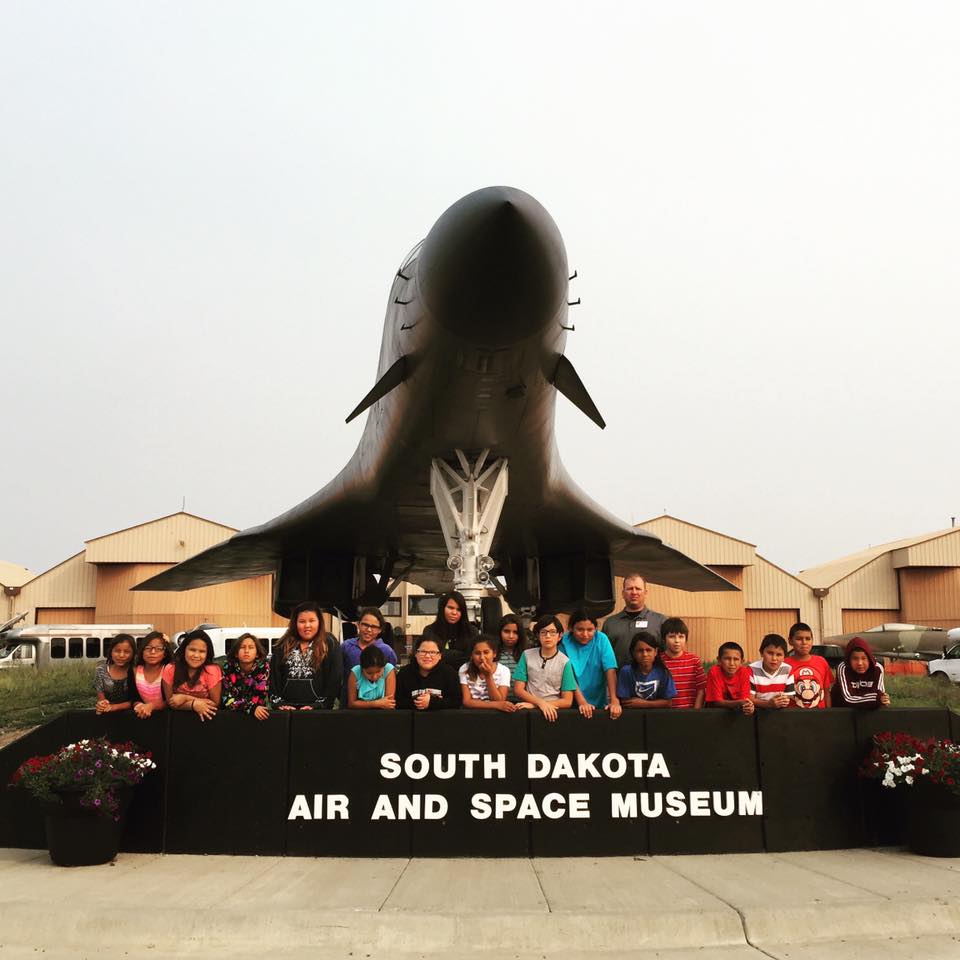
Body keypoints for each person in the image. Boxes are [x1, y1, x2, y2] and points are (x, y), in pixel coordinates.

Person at [270, 601, 343, 710]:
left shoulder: (329, 643)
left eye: (312, 621)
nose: (307, 625)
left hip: (318, 712)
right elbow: (274, 677)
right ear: (295, 623)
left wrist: (320, 704)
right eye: (302, 621)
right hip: (287, 711)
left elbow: (335, 678)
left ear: (319, 622)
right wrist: (278, 703)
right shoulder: (283, 644)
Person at [512, 615, 576, 721]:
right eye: (543, 632)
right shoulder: (526, 655)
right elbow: (518, 689)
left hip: (554, 712)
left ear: (560, 636)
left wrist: (537, 705)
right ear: (538, 635)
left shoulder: (565, 662)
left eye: (552, 632)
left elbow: (567, 701)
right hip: (527, 712)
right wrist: (539, 703)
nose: (548, 636)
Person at [559, 609, 621, 719]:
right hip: (571, 699)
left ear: (596, 629)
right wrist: (582, 702)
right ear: (570, 628)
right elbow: (568, 676)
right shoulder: (563, 642)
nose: (585, 634)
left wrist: (614, 700)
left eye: (590, 630)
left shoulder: (601, 639)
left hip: (599, 697)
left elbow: (610, 669)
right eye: (580, 629)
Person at [603, 574, 667, 667]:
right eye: (629, 589)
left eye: (638, 588)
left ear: (645, 593)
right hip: (619, 680)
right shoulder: (610, 623)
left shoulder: (660, 621)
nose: (634, 592)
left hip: (651, 680)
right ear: (623, 593)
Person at [162, 629, 222, 721]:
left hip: (205, 720)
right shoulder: (170, 669)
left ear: (207, 653)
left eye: (202, 651)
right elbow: (172, 702)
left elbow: (215, 703)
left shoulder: (212, 671)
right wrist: (193, 705)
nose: (196, 655)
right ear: (184, 649)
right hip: (177, 721)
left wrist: (186, 698)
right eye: (192, 650)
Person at [460, 634, 527, 712]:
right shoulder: (465, 668)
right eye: (477, 653)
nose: (482, 657)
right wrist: (496, 705)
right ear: (472, 655)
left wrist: (488, 676)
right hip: (471, 713)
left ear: (494, 654)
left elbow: (499, 699)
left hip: (495, 714)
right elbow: (467, 702)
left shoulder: (503, 670)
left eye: (486, 652)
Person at [395, 636, 462, 710]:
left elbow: (456, 702)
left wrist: (432, 702)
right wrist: (420, 702)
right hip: (411, 719)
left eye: (432, 652)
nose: (427, 656)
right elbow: (397, 702)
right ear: (416, 653)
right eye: (423, 651)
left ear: (440, 655)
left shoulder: (450, 673)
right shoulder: (404, 673)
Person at [616, 631, 676, 709]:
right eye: (640, 650)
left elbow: (668, 703)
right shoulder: (626, 671)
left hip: (657, 717)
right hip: (633, 717)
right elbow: (625, 702)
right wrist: (657, 703)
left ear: (655, 652)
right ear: (633, 653)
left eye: (648, 650)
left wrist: (644, 704)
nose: (645, 654)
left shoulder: (663, 672)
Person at [342, 607, 398, 690]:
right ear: (358, 624)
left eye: (374, 627)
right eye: (365, 625)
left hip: (377, 700)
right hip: (349, 700)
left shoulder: (387, 651)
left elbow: (391, 678)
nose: (368, 630)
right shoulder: (346, 646)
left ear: (380, 630)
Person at [421, 590, 478, 669]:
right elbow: (430, 656)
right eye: (450, 608)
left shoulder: (472, 631)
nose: (454, 612)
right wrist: (460, 655)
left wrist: (441, 654)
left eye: (459, 609)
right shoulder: (430, 630)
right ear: (442, 608)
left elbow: (471, 658)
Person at [658, 617, 706, 710]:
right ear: (664, 638)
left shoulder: (694, 660)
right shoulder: (658, 661)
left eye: (681, 637)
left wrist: (696, 712)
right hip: (664, 713)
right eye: (672, 636)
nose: (677, 641)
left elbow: (701, 690)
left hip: (689, 713)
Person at [221, 633, 271, 720]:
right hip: (232, 715)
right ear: (236, 653)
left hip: (258, 715)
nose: (246, 651)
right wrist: (249, 707)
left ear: (257, 654)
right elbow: (227, 699)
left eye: (251, 647)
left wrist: (251, 707)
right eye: (242, 647)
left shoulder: (264, 667)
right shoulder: (227, 667)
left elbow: (260, 697)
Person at [831, 637, 890, 708]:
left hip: (868, 711)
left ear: (869, 658)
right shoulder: (843, 667)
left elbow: (880, 695)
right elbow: (848, 698)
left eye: (864, 658)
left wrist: (883, 699)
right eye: (855, 659)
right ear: (849, 659)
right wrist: (876, 699)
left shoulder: (877, 668)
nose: (860, 663)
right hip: (842, 710)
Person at [785, 622, 832, 710]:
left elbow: (826, 691)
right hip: (792, 717)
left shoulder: (821, 661)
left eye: (808, 639)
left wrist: (828, 713)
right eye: (799, 639)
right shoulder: (784, 664)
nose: (804, 642)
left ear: (812, 640)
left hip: (818, 716)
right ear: (790, 641)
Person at [704, 642, 755, 714]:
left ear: (742, 662)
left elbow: (744, 700)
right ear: (719, 660)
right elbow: (715, 703)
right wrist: (740, 703)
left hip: (736, 714)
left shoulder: (744, 672)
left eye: (736, 659)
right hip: (714, 714)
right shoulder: (714, 672)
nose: (731, 663)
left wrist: (748, 706)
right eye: (727, 659)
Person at [748, 634, 795, 709]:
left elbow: (789, 697)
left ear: (784, 657)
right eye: (770, 653)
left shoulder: (788, 669)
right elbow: (749, 699)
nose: (774, 658)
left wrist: (783, 700)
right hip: (757, 714)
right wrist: (768, 704)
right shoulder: (751, 670)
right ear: (761, 653)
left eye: (779, 654)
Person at [132, 631, 171, 719]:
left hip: (166, 720)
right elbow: (133, 697)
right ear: (142, 651)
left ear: (165, 653)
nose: (153, 652)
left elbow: (170, 700)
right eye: (148, 648)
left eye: (158, 648)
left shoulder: (168, 670)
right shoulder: (134, 670)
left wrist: (152, 706)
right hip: (142, 718)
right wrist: (140, 706)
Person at [94, 634, 136, 715]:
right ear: (111, 651)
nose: (121, 655)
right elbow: (101, 698)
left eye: (127, 652)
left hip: (132, 716)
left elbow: (136, 700)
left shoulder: (136, 671)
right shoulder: (101, 670)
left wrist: (115, 707)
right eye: (117, 651)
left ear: (133, 653)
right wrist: (102, 704)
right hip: (108, 715)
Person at [346, 644, 397, 709]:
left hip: (383, 714)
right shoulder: (356, 672)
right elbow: (351, 704)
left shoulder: (388, 669)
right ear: (362, 668)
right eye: (369, 673)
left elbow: (389, 703)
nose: (374, 677)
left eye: (378, 672)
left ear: (383, 666)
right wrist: (376, 703)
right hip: (361, 715)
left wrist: (362, 703)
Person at [495, 614, 528, 679]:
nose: (511, 636)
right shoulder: (492, 653)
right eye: (506, 631)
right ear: (500, 632)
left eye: (515, 632)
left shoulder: (526, 654)